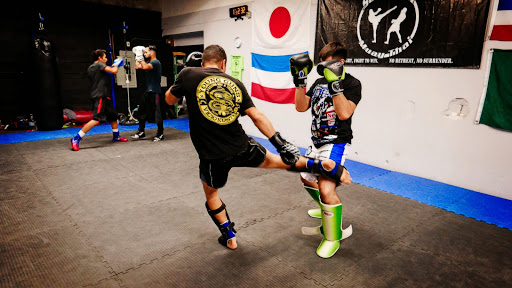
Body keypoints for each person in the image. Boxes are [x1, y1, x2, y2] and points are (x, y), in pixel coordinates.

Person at [165, 44, 352, 252]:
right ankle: (323, 165)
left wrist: (181, 80)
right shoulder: (235, 82)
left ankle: (229, 237)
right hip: (240, 145)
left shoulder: (187, 73)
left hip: (212, 155)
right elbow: (257, 116)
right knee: (278, 161)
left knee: (212, 194)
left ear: (202, 63)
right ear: (223, 64)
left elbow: (169, 100)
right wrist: (280, 143)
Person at [291, 41, 362, 258]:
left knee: (326, 189)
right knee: (305, 178)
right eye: (321, 66)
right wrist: (300, 83)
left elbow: (344, 114)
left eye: (328, 65)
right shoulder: (319, 81)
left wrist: (336, 85)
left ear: (340, 63)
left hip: (335, 143)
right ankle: (326, 209)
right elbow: (301, 106)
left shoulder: (352, 83)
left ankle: (333, 237)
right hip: (316, 142)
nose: (323, 70)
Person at [70, 49, 128, 151]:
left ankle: (116, 136)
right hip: (100, 96)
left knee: (113, 116)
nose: (106, 59)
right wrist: (117, 64)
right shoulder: (99, 65)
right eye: (105, 57)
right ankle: (76, 138)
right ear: (99, 58)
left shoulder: (91, 67)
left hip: (104, 96)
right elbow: (113, 71)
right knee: (96, 119)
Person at [131, 45, 165, 141]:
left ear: (152, 52)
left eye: (146, 52)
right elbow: (137, 66)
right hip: (147, 92)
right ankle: (141, 132)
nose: (144, 54)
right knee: (141, 111)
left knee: (157, 114)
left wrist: (140, 57)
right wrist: (137, 56)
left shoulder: (156, 62)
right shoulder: (149, 62)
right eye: (144, 52)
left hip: (155, 92)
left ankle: (160, 134)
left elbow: (145, 67)